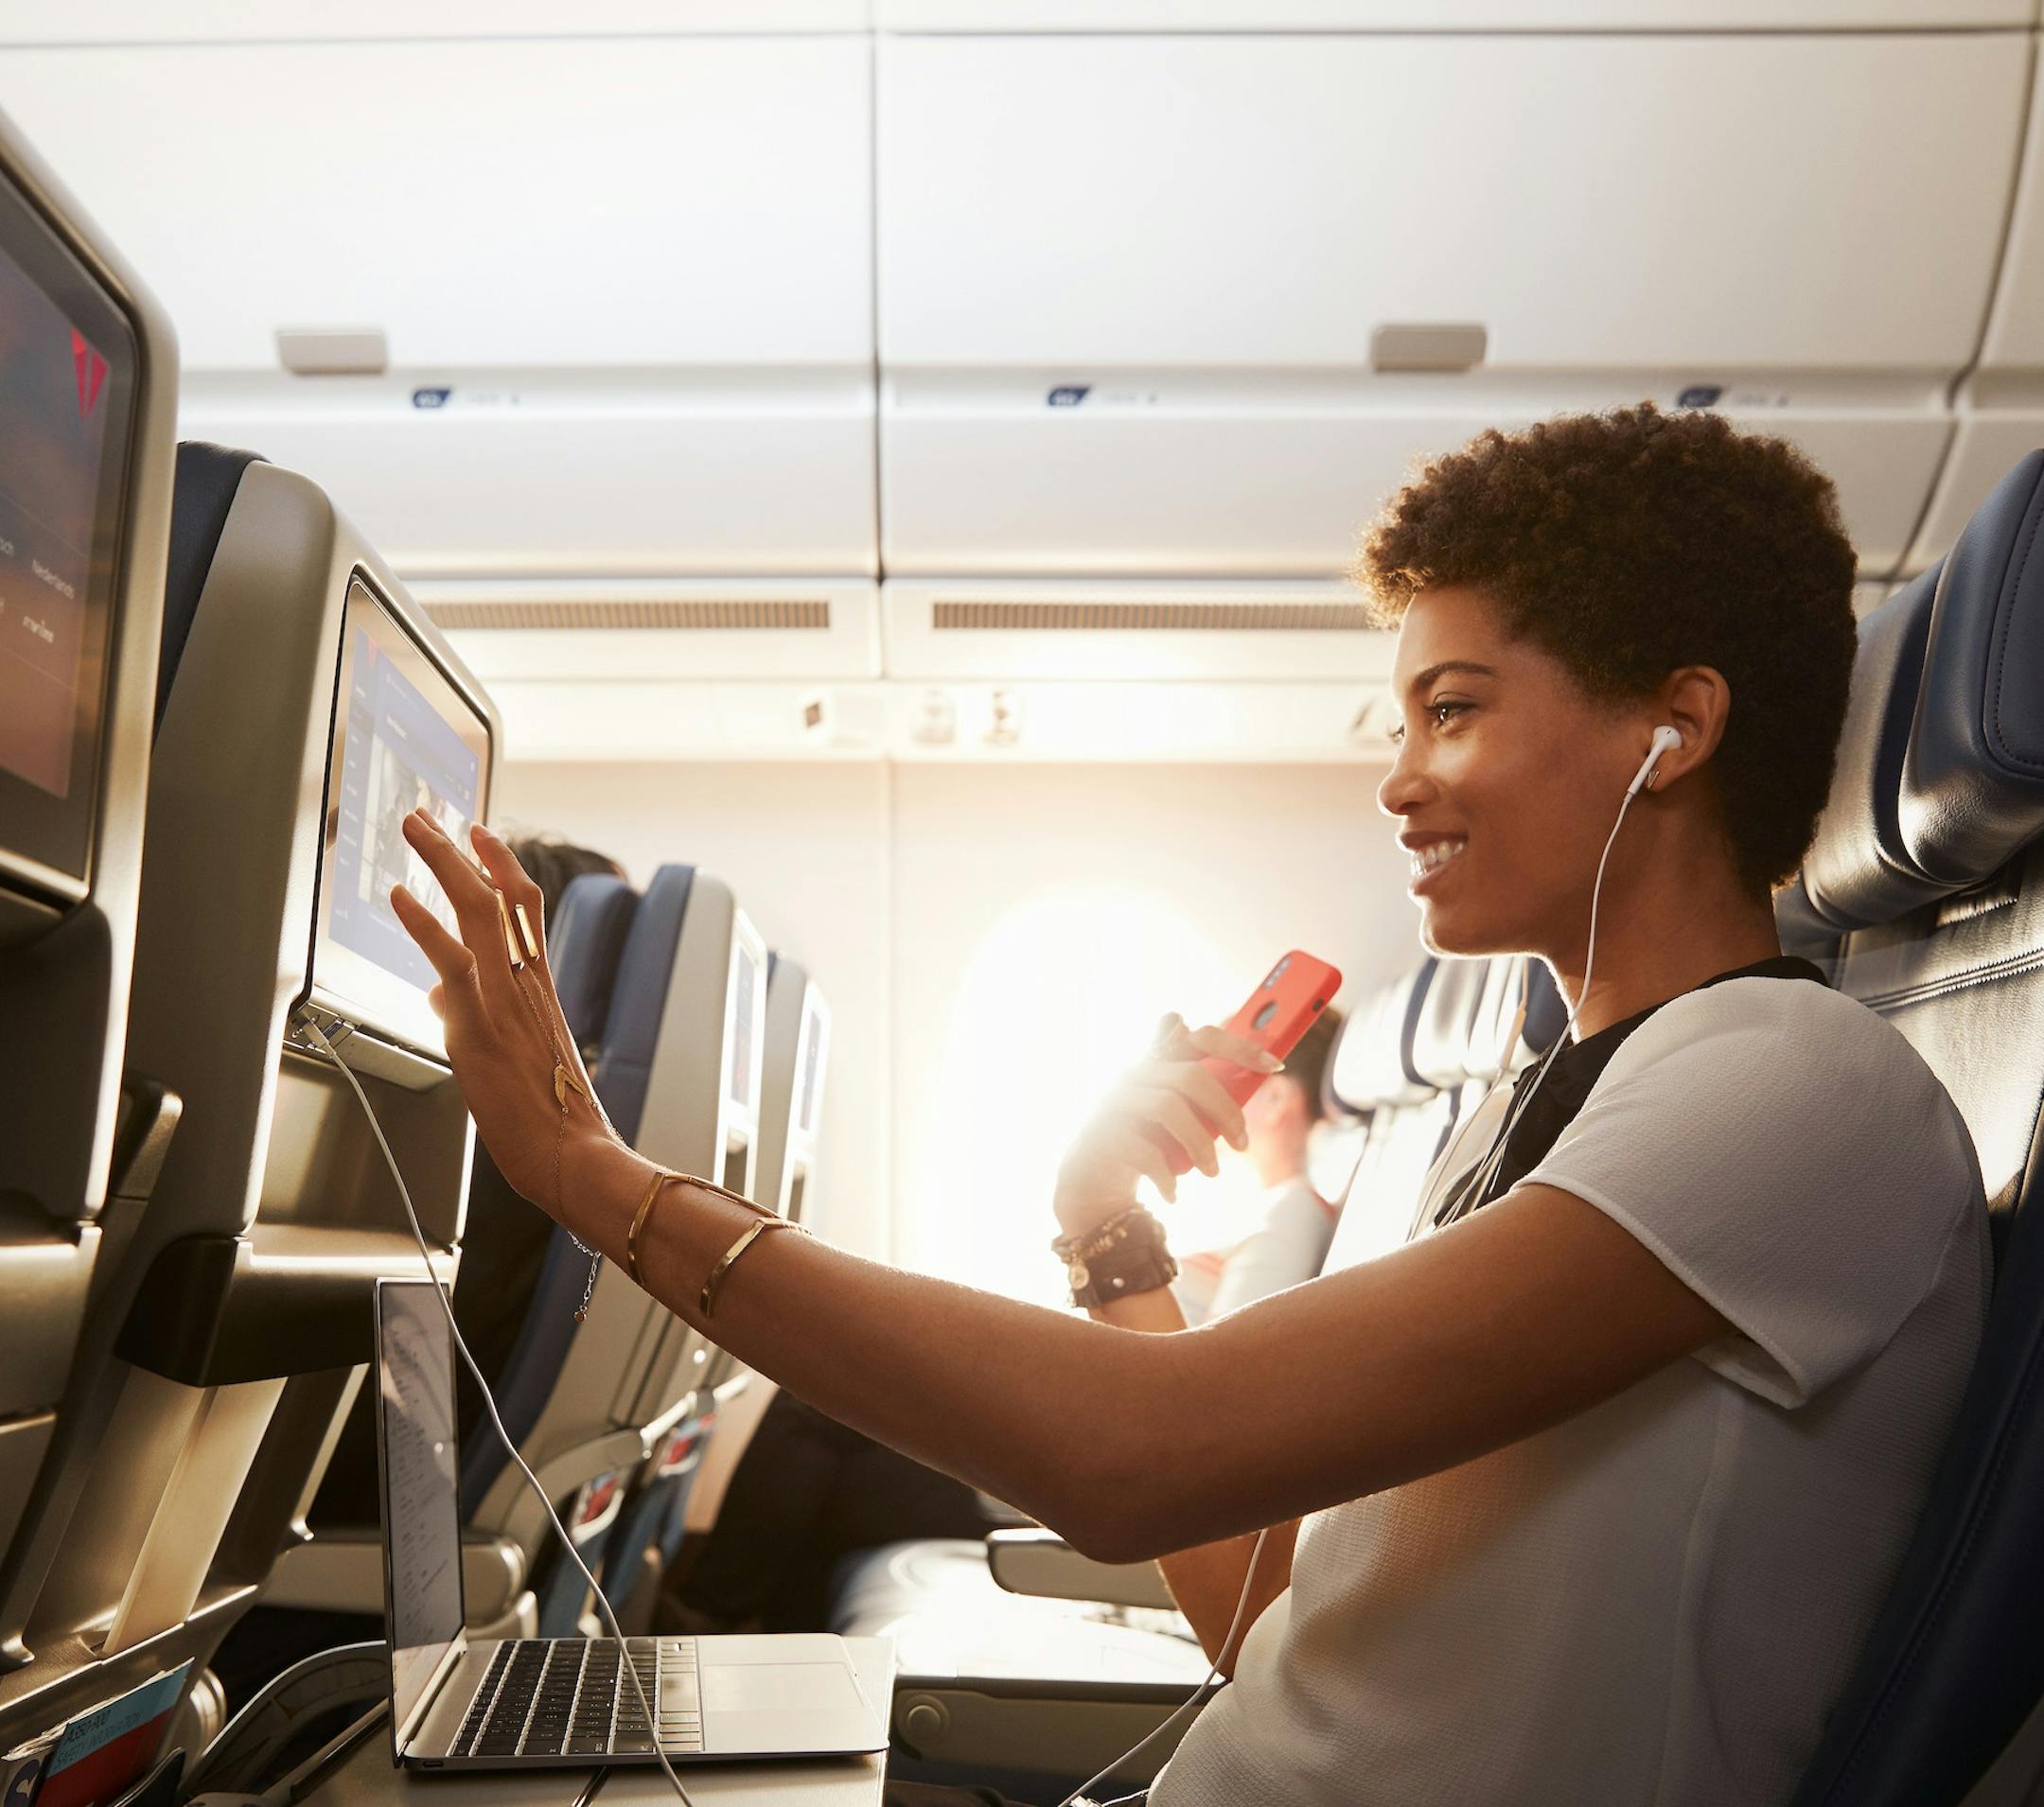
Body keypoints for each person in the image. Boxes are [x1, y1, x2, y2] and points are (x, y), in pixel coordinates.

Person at [388, 404, 1989, 1806]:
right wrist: (1110, 1238)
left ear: (1677, 730)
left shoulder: (1793, 1093)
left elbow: (1131, 1456)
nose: (1400, 777)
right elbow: (1268, 1615)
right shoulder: (1561, 1115)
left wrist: (588, 1173)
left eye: (1455, 708)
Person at [663, 1005, 1346, 1638]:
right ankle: (734, 1650)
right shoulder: (1270, 1214)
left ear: (1279, 1095)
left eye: (1235, 1077)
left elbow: (1216, 1391)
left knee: (822, 1415)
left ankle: (701, 1627)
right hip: (1086, 1423)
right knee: (842, 1470)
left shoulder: (1288, 1217)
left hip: (1096, 1448)